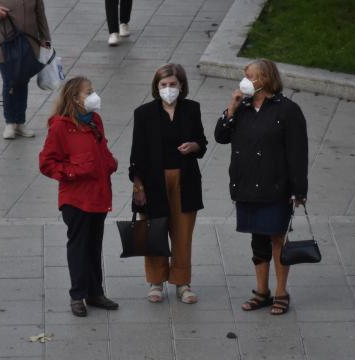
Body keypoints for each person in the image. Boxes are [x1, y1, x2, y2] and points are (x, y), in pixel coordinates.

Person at [214, 59, 308, 315]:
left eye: (250, 75)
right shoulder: (242, 107)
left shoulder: (287, 110)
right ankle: (261, 291)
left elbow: (298, 152)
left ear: (265, 79)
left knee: (277, 237)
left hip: (276, 186)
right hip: (247, 185)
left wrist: (299, 190)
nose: (244, 80)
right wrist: (230, 109)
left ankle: (281, 292)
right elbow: (220, 136)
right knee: (257, 239)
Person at [39, 76, 119, 317]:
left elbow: (100, 148)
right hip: (76, 199)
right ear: (75, 98)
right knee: (79, 247)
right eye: (88, 92)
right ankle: (77, 295)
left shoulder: (94, 120)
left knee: (94, 246)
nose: (94, 96)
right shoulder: (60, 127)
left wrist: (109, 163)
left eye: (93, 90)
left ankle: (95, 292)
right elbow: (46, 163)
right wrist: (73, 172)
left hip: (98, 196)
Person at [129, 63, 207, 304]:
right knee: (155, 231)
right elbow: (137, 153)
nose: (168, 88)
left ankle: (182, 282)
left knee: (183, 234)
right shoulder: (143, 113)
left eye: (173, 84)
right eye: (163, 85)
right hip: (153, 181)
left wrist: (194, 146)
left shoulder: (192, 109)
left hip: (185, 180)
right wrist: (138, 185)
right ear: (156, 87)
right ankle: (155, 281)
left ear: (181, 85)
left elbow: (202, 143)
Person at [0, 0, 51, 139]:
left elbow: (40, 14)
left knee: (22, 80)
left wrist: (46, 39)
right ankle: (9, 122)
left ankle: (20, 122)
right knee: (10, 81)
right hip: (5, 43)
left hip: (28, 44)